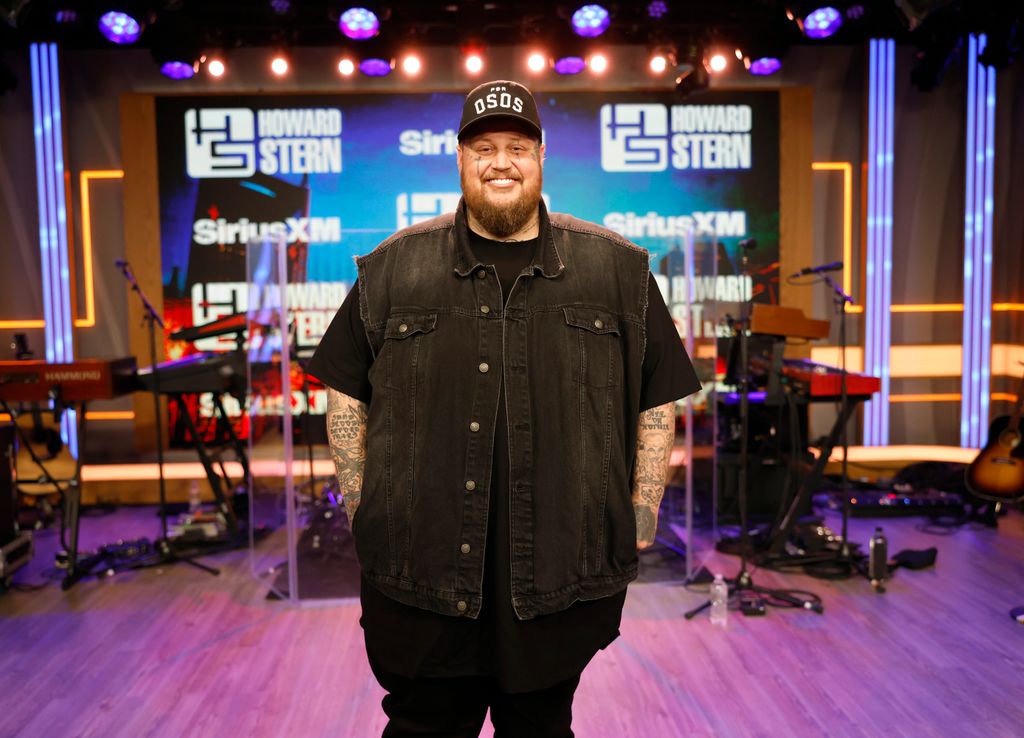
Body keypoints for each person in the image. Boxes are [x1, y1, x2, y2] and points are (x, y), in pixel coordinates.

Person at [308, 80, 701, 738]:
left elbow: (655, 397)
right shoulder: (391, 267)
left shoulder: (617, 270)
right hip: (420, 582)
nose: (500, 162)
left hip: (556, 582)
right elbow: (345, 388)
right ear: (459, 159)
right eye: (483, 147)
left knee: (543, 729)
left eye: (517, 146)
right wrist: (361, 505)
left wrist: (643, 508)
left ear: (542, 156)